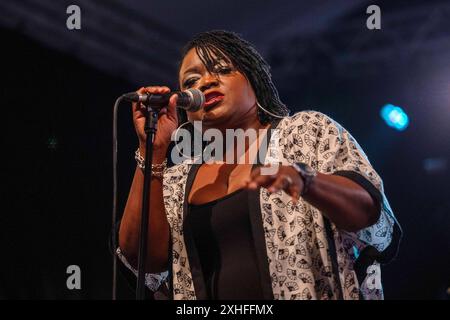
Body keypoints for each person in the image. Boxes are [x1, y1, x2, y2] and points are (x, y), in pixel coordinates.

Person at [116, 30, 401, 300]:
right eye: (191, 81)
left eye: (223, 69)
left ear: (254, 79)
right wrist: (152, 151)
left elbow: (369, 215)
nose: (204, 83)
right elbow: (143, 263)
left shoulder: (303, 133)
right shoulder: (176, 180)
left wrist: (308, 182)